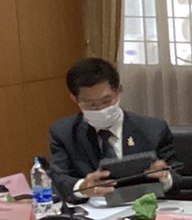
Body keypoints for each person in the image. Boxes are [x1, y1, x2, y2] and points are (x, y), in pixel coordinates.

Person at [47, 58, 179, 202]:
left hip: (143, 206)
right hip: (93, 210)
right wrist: (82, 187)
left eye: (106, 101)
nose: (100, 109)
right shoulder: (64, 133)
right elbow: (58, 179)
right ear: (75, 99)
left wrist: (165, 177)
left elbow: (178, 178)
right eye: (90, 104)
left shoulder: (153, 129)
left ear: (118, 91)